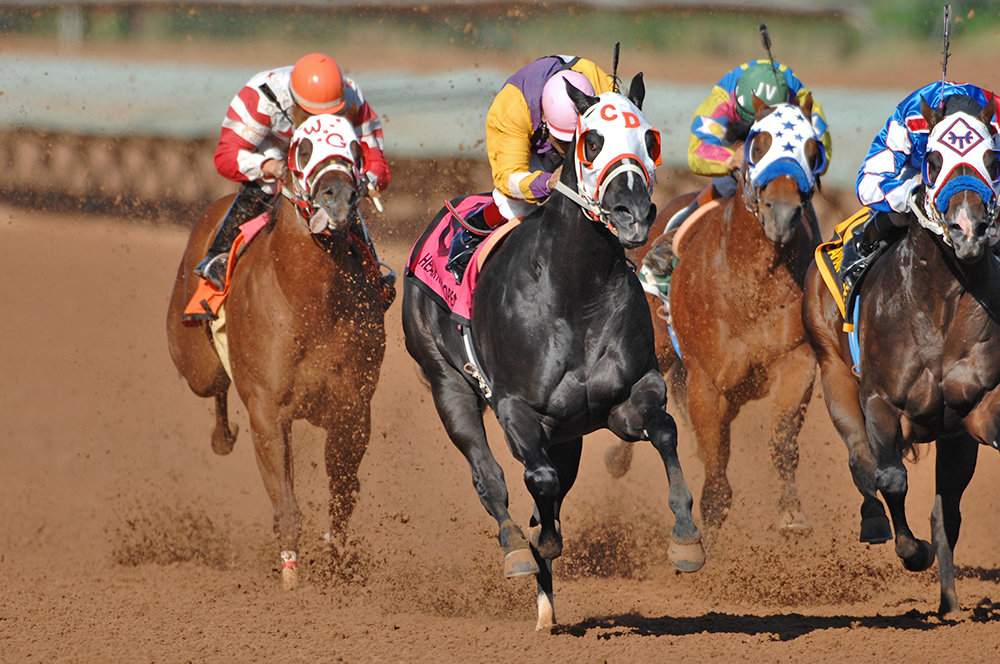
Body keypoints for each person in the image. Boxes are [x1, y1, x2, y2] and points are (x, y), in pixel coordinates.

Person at [196, 53, 391, 290]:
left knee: (345, 194)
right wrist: (269, 167)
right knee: (264, 186)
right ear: (295, 102)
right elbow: (225, 156)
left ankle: (374, 274)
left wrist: (363, 184)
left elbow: (377, 162)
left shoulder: (351, 96)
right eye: (312, 114)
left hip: (322, 162)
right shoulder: (260, 96)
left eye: (330, 115)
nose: (318, 122)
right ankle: (219, 256)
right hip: (273, 150)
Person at [446, 54, 614, 281]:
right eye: (564, 142)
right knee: (518, 204)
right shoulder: (512, 108)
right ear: (545, 118)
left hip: (592, 138)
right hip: (532, 143)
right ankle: (471, 232)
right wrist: (546, 182)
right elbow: (509, 178)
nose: (570, 151)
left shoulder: (605, 91)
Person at [665, 59, 832, 232]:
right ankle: (675, 234)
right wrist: (730, 159)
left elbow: (822, 155)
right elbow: (697, 153)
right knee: (726, 182)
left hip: (781, 144)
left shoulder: (798, 97)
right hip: (736, 136)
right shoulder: (721, 100)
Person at [854, 80, 999, 255]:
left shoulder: (996, 124)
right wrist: (914, 194)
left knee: (993, 234)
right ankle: (862, 255)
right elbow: (867, 183)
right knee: (899, 216)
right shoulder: (910, 118)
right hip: (919, 178)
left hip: (987, 184)